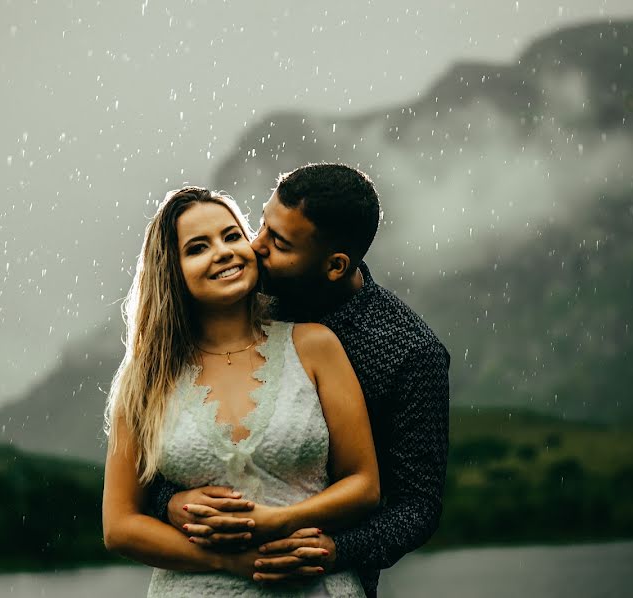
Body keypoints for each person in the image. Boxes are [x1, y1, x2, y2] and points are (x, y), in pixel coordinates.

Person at [149, 164, 451, 598]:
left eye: (279, 243)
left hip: (321, 582)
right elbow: (181, 441)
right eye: (263, 225)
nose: (256, 246)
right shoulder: (240, 296)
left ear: (335, 265)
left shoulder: (409, 352)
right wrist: (169, 503)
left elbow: (418, 505)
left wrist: (334, 550)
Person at [101, 186, 380, 596]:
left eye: (232, 236)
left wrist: (280, 521)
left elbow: (363, 484)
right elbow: (120, 526)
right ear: (172, 270)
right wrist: (227, 560)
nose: (224, 252)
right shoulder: (146, 380)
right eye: (198, 248)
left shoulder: (315, 346)